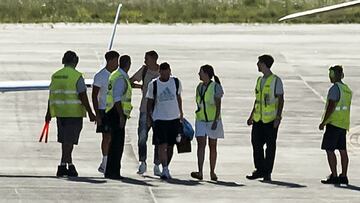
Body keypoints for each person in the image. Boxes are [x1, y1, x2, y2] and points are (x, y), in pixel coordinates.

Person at [45, 50, 96, 177]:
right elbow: (83, 95)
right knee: (69, 141)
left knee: (65, 141)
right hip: (74, 113)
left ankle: (64, 164)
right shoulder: (76, 76)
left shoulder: (56, 75)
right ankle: (67, 166)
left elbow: (51, 95)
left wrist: (48, 113)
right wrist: (90, 112)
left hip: (60, 112)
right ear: (75, 61)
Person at [246, 54, 284, 181]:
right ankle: (260, 169)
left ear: (264, 64)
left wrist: (278, 117)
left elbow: (281, 99)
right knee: (256, 144)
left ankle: (267, 171)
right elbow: (257, 100)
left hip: (271, 120)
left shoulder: (276, 80)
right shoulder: (259, 80)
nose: (257, 65)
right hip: (258, 119)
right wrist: (251, 116)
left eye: (259, 63)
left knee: (270, 146)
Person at [146, 62, 183, 179]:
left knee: (171, 146)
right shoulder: (154, 84)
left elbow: (178, 97)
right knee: (162, 145)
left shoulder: (176, 82)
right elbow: (149, 102)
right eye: (163, 72)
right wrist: (149, 117)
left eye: (168, 72)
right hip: (160, 118)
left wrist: (181, 113)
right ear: (160, 72)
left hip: (174, 118)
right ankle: (165, 168)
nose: (166, 75)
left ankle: (166, 165)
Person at [319, 65, 352, 185]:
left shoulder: (334, 89)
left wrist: (324, 122)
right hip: (343, 124)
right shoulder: (346, 89)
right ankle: (344, 175)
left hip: (333, 123)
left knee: (329, 149)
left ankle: (334, 175)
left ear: (333, 75)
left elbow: (331, 106)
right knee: (343, 150)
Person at [190, 65, 224, 181]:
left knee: (212, 146)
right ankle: (200, 171)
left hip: (212, 120)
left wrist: (216, 120)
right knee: (201, 145)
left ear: (206, 73)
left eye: (200, 72)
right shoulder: (199, 87)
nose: (199, 74)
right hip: (201, 119)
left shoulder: (215, 87)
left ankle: (212, 171)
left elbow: (218, 105)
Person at [130, 50, 161, 175]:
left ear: (154, 59)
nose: (145, 61)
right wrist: (141, 87)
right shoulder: (144, 70)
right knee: (142, 137)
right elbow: (130, 81)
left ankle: (157, 164)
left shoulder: (161, 71)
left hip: (159, 111)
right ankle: (142, 162)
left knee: (158, 139)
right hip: (144, 109)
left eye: (146, 59)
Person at [104, 55, 133, 180]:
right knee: (117, 144)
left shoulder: (115, 74)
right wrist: (121, 116)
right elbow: (117, 98)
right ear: (128, 64)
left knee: (114, 144)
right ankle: (113, 172)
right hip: (116, 114)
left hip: (111, 112)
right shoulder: (121, 78)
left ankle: (110, 171)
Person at [92, 50, 119, 174]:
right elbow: (94, 95)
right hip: (104, 109)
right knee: (106, 136)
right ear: (110, 60)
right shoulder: (100, 76)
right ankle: (105, 160)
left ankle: (111, 161)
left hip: (116, 110)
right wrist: (97, 114)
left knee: (114, 137)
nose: (117, 63)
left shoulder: (118, 75)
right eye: (116, 61)